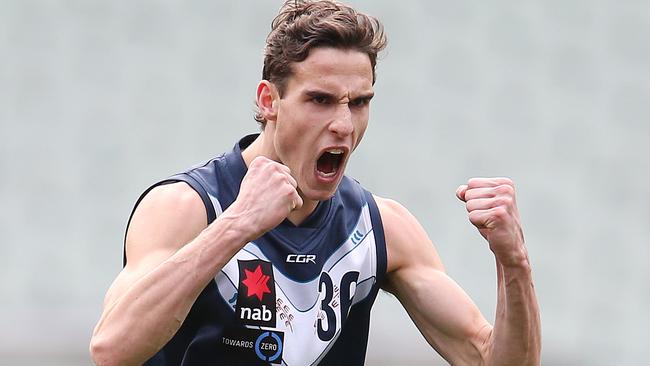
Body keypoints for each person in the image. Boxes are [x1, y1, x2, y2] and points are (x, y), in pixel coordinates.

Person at [90, 1, 541, 365]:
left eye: (359, 102)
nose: (344, 125)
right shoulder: (186, 206)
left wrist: (513, 261)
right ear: (269, 100)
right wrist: (238, 225)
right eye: (320, 100)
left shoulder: (378, 226)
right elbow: (112, 348)